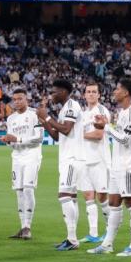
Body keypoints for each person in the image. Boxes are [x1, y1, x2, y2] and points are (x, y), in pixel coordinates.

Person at [88, 78, 131, 256]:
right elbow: (118, 134)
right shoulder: (123, 112)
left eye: (118, 89)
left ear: (126, 92)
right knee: (113, 203)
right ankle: (107, 244)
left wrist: (106, 127)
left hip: (128, 165)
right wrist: (106, 124)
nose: (114, 91)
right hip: (117, 164)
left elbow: (125, 139)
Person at [36, 78, 83, 251]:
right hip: (67, 157)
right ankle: (71, 238)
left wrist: (47, 116)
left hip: (73, 157)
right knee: (70, 197)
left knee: (64, 195)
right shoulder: (65, 109)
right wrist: (44, 121)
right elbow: (57, 136)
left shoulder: (71, 106)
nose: (51, 95)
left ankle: (72, 239)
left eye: (54, 92)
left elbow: (66, 129)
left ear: (63, 91)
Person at [0, 87, 42, 240]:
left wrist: (17, 139)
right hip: (17, 157)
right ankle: (22, 226)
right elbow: (12, 141)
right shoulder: (11, 119)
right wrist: (7, 141)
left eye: (20, 99)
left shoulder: (34, 115)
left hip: (32, 155)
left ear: (26, 99)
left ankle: (28, 227)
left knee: (28, 189)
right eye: (15, 99)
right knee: (19, 191)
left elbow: (38, 138)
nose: (17, 102)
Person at [78, 83, 110, 244]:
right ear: (84, 95)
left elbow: (98, 134)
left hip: (99, 160)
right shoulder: (82, 114)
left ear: (99, 95)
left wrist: (79, 135)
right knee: (88, 197)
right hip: (84, 160)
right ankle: (93, 233)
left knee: (103, 196)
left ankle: (109, 231)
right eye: (88, 92)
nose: (91, 94)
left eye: (94, 92)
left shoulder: (102, 111)